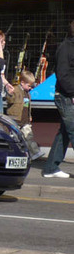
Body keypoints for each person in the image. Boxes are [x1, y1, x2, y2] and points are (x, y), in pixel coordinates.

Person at [42, 20, 74, 178]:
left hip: (69, 95)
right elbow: (63, 75)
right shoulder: (65, 48)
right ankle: (50, 168)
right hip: (66, 97)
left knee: (64, 133)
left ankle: (50, 168)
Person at [6, 70, 42, 160]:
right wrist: (10, 94)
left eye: (31, 86)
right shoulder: (16, 90)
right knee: (15, 138)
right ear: (22, 83)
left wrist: (29, 115)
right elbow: (10, 101)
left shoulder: (28, 94)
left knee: (29, 136)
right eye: (29, 85)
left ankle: (35, 152)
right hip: (16, 119)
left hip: (25, 120)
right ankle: (15, 154)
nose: (30, 88)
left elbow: (27, 106)